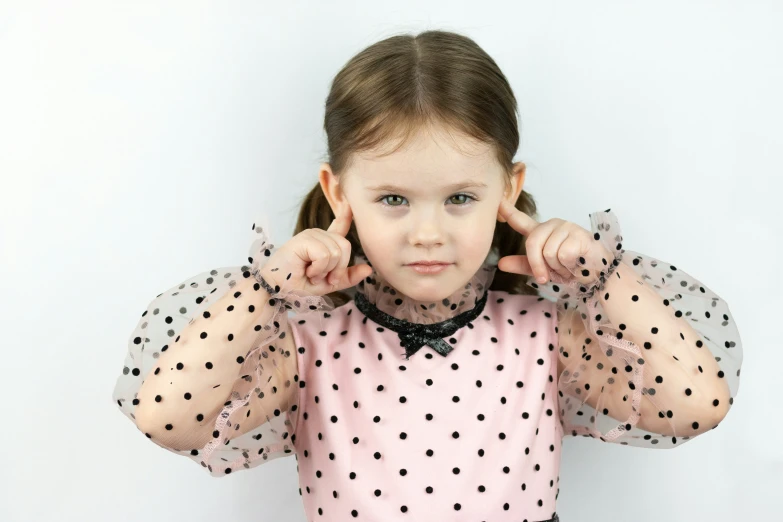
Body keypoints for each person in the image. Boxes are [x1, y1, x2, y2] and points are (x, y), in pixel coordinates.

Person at [112, 30, 742, 522]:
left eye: (461, 198)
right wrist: (265, 289)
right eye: (393, 200)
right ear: (339, 193)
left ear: (509, 188)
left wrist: (604, 282)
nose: (427, 233)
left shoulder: (545, 333)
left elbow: (698, 404)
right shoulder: (308, 342)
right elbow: (167, 416)